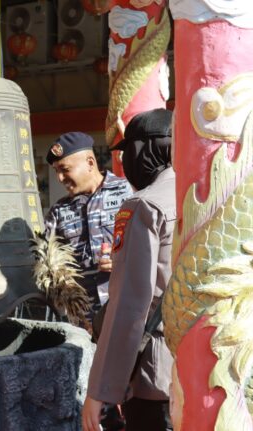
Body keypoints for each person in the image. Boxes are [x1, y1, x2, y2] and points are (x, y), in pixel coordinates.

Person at [82, 109, 176, 431]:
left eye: (128, 152)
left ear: (144, 151)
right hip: (203, 370)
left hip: (156, 376)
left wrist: (101, 389)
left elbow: (130, 306)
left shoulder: (144, 207)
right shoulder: (204, 197)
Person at [43, 131, 133, 321]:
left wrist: (125, 259)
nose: (60, 178)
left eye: (65, 169)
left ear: (90, 163)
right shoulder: (59, 212)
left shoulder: (129, 193)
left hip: (130, 313)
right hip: (85, 323)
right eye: (56, 171)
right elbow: (46, 265)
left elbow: (155, 243)